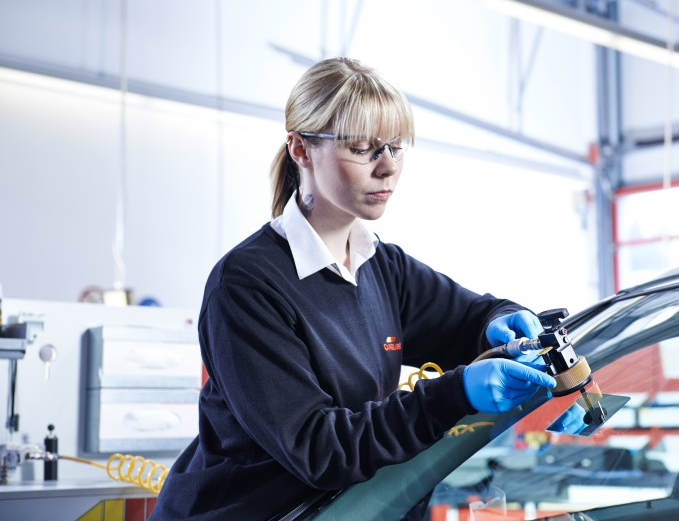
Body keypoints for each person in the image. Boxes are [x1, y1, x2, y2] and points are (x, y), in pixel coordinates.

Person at [150, 57, 555, 520]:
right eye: (363, 149)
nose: (387, 169)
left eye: (396, 148)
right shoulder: (246, 286)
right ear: (300, 149)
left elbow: (470, 319)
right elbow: (319, 449)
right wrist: (454, 393)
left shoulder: (382, 265)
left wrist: (503, 320)